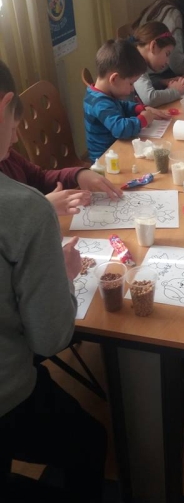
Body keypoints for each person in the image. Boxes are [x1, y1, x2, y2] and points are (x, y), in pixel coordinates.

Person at [0, 61, 107, 502]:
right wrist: (61, 275)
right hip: (7, 397)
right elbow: (50, 338)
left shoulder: (11, 170)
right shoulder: (25, 210)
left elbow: (37, 175)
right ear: (5, 106)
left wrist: (77, 173)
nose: (14, 138)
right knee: (91, 441)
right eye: (14, 124)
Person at [1, 97, 124, 215]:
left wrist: (78, 175)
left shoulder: (8, 157)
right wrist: (42, 206)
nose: (15, 139)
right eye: (11, 129)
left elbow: (40, 179)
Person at [84, 38, 170, 161]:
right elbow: (120, 129)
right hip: (106, 161)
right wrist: (142, 120)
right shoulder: (99, 103)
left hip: (117, 149)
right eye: (131, 83)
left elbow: (120, 105)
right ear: (114, 79)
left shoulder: (102, 95)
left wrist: (138, 108)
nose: (132, 89)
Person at [133, 21, 184, 106]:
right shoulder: (135, 63)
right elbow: (150, 99)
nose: (167, 61)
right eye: (167, 54)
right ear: (153, 46)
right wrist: (175, 91)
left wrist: (162, 82)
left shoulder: (136, 58)